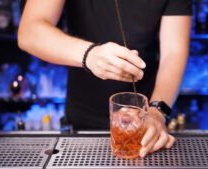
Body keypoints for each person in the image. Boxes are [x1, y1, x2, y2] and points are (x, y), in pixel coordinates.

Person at [18, 0, 192, 157]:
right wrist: (90, 55)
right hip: (82, 122)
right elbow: (29, 32)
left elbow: (173, 52)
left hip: (144, 120)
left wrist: (157, 112)